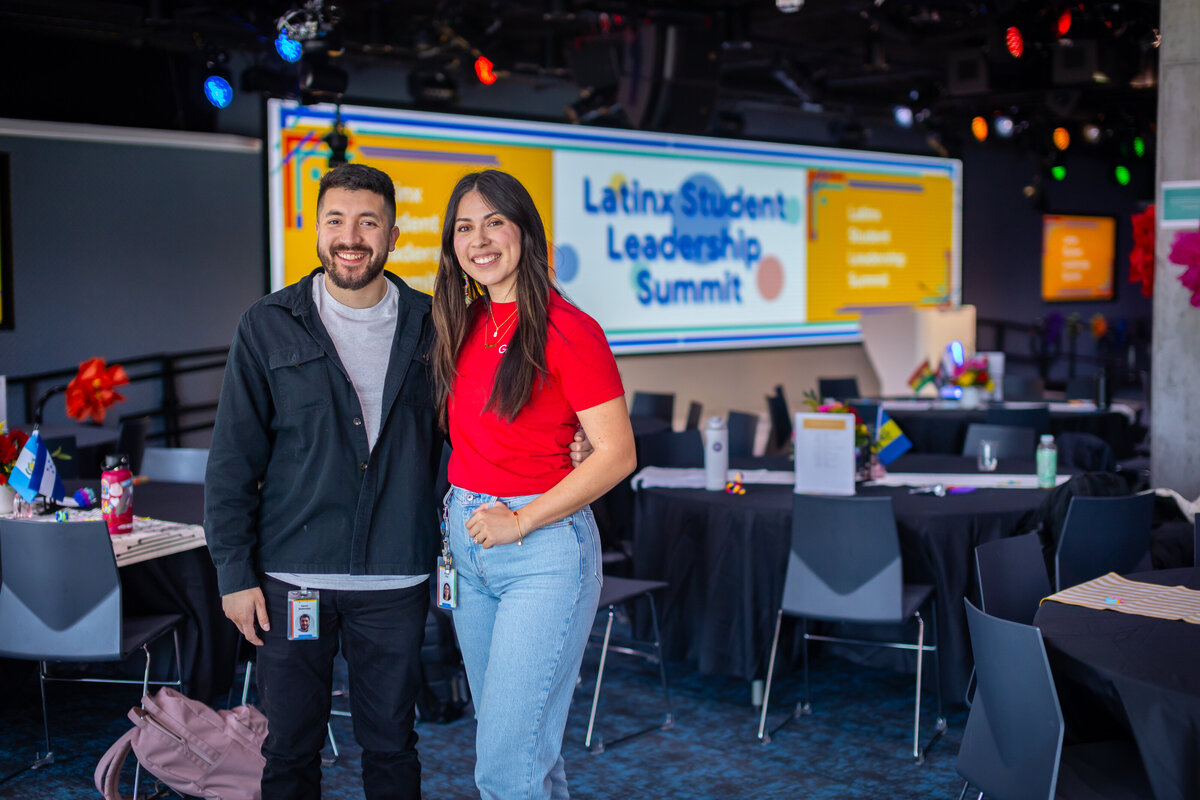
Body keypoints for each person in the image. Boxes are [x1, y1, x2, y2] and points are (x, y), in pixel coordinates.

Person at [206, 162, 591, 800]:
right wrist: (233, 573)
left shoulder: (437, 323)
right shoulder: (267, 323)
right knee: (289, 748)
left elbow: (484, 419)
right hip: (293, 577)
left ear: (392, 234)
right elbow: (232, 460)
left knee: (392, 745)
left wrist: (570, 439)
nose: (350, 236)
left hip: (396, 577)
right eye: (336, 220)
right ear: (316, 228)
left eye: (368, 222)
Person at [431, 170, 636, 799]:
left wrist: (520, 521)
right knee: (525, 753)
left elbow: (617, 454)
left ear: (525, 231)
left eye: (495, 222)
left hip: (541, 550)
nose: (480, 239)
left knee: (503, 764)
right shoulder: (459, 325)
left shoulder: (570, 330)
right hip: (467, 546)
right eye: (465, 227)